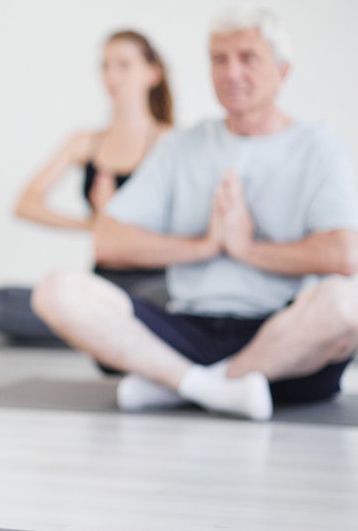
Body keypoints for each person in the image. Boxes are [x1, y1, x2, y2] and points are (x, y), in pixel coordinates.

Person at [33, 6, 358, 420]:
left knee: (346, 304)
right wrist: (206, 246)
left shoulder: (318, 147)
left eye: (247, 58)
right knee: (56, 290)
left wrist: (246, 248)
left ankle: (181, 384)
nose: (231, 72)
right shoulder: (183, 146)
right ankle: (213, 386)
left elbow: (343, 255)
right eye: (219, 60)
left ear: (282, 71)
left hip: (283, 338)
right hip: (187, 328)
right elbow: (108, 240)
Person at [0, 30, 173, 345]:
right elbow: (26, 204)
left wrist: (114, 219)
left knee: (158, 304)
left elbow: (185, 228)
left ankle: (99, 330)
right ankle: (96, 330)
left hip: (154, 286)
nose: (112, 76)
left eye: (123, 65)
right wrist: (93, 224)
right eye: (105, 66)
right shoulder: (85, 142)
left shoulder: (172, 143)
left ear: (153, 74)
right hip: (100, 285)